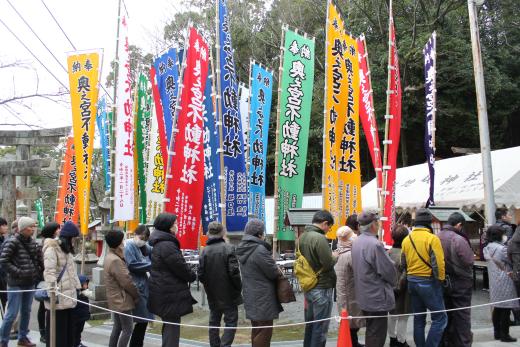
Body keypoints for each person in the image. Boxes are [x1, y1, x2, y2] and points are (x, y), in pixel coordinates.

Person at [148, 213, 197, 347]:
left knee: (169, 325)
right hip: (169, 292)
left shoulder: (160, 242)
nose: (177, 226)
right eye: (175, 223)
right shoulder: (167, 245)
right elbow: (180, 267)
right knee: (172, 327)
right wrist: (192, 276)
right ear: (168, 227)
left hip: (163, 289)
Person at [401, 208, 447, 347]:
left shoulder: (406, 239)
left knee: (419, 319)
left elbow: (403, 263)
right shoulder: (432, 239)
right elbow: (438, 263)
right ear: (429, 223)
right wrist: (441, 280)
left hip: (412, 282)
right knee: (440, 318)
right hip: (428, 281)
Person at [351, 210, 397, 347]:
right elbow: (388, 271)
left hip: (364, 293)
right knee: (377, 333)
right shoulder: (374, 244)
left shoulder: (357, 241)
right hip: (376, 295)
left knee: (372, 331)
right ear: (373, 225)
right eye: (377, 222)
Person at [236, 219, 281, 347]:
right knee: (264, 331)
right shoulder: (259, 249)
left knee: (257, 329)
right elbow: (273, 272)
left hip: (251, 294)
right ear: (259, 234)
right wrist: (277, 268)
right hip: (263, 297)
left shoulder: (244, 247)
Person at [0, 216, 43, 347]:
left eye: (33, 227)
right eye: (30, 227)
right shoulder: (11, 242)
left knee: (26, 311)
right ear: (23, 228)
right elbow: (4, 261)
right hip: (15, 283)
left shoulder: (33, 242)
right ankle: (3, 341)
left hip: (29, 282)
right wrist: (18, 272)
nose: (32, 229)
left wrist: (37, 273)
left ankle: (22, 338)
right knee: (12, 313)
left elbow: (37, 260)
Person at [198, 222, 242, 347]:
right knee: (231, 321)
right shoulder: (228, 248)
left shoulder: (204, 251)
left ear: (209, 233)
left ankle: (215, 345)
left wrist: (208, 285)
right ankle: (225, 345)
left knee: (214, 321)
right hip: (229, 292)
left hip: (212, 292)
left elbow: (200, 274)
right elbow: (234, 273)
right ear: (222, 232)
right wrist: (238, 287)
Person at [298, 210, 337, 347]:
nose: (329, 230)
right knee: (320, 326)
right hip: (322, 286)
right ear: (325, 223)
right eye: (329, 227)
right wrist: (335, 256)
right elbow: (328, 263)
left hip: (309, 284)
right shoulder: (319, 238)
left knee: (310, 324)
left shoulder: (303, 236)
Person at [438, 212, 474, 347]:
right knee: (462, 315)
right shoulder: (458, 239)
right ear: (459, 225)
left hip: (442, 282)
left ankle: (446, 342)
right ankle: (462, 343)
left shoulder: (436, 237)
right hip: (460, 282)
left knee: (445, 314)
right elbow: (469, 260)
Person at [43, 221, 81, 347]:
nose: (75, 241)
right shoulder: (52, 248)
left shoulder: (67, 249)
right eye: (74, 238)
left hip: (69, 295)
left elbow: (72, 272)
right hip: (58, 297)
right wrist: (53, 293)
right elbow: (49, 272)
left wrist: (78, 288)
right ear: (68, 238)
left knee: (69, 332)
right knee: (58, 333)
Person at [104, 230, 140, 347]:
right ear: (119, 242)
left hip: (115, 298)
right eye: (122, 240)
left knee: (117, 327)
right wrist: (136, 294)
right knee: (127, 329)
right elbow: (127, 282)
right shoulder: (115, 260)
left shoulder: (110, 256)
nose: (124, 242)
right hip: (122, 299)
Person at [484, 225, 518, 342]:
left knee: (497, 308)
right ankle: (505, 335)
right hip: (505, 279)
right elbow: (511, 261)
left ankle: (497, 333)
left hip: (494, 280)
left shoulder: (487, 248)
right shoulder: (502, 249)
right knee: (506, 307)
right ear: (499, 235)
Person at [334, 226, 364, 347]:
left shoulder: (338, 252)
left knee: (348, 321)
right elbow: (361, 272)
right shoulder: (350, 254)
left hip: (343, 292)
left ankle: (354, 342)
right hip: (350, 293)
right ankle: (353, 344)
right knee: (351, 322)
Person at [124, 225, 153, 347]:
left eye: (145, 239)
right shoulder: (129, 245)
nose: (143, 241)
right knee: (141, 320)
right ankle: (135, 344)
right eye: (142, 237)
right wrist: (151, 265)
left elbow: (150, 250)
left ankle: (137, 344)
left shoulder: (142, 246)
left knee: (143, 320)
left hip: (143, 284)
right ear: (135, 234)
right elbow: (132, 264)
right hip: (136, 285)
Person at [38, 222, 61, 344]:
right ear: (52, 231)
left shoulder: (55, 244)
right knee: (45, 308)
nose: (59, 231)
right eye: (57, 229)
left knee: (46, 308)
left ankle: (46, 334)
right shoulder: (49, 245)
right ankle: (44, 333)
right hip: (46, 279)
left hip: (47, 278)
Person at [387, 225, 410, 347]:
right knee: (403, 315)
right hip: (403, 288)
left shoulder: (387, 253)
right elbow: (407, 272)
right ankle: (401, 341)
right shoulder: (405, 253)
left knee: (392, 314)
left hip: (389, 288)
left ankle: (392, 338)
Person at [72, 275, 91, 347]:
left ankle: (78, 343)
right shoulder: (77, 295)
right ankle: (75, 344)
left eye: (87, 284)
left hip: (82, 317)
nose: (86, 285)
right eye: (85, 284)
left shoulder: (85, 294)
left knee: (79, 331)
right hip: (77, 317)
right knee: (75, 331)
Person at [0, 217, 9, 313]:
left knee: (4, 300)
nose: (6, 227)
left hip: (4, 276)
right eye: (3, 225)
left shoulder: (4, 240)